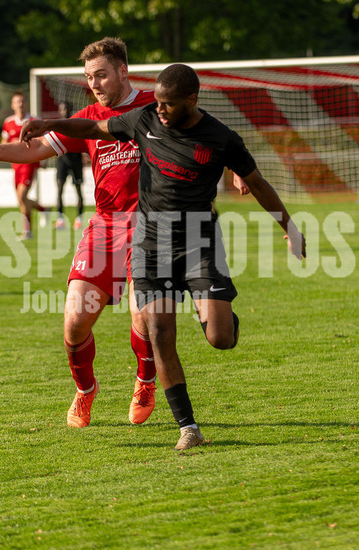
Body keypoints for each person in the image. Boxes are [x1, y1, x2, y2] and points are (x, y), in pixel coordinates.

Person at [20, 63, 306, 450]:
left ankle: (221, 316)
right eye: (157, 102)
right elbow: (92, 128)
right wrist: (48, 123)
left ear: (192, 100)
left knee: (220, 338)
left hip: (198, 241)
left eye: (168, 104)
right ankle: (188, 428)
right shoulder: (146, 119)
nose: (161, 110)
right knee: (159, 334)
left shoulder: (220, 137)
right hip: (150, 243)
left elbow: (257, 183)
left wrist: (290, 228)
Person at [0, 37, 159, 429]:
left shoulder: (155, 105)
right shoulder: (87, 118)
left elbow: (201, 129)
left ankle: (145, 382)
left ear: (123, 71)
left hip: (152, 226)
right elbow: (34, 150)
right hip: (105, 226)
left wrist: (236, 166)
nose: (95, 84)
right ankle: (85, 391)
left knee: (144, 313)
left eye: (101, 75)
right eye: (89, 77)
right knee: (74, 321)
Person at [2, 90, 47, 240]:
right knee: (21, 200)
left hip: (30, 163)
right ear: (12, 105)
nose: (20, 104)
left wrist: (44, 158)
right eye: (17, 102)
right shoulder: (8, 122)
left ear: (26, 103)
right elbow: (4, 142)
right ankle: (43, 210)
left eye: (22, 101)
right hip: (15, 165)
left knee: (22, 196)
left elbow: (44, 142)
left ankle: (28, 232)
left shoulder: (34, 121)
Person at [54, 101, 85, 230]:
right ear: (59, 111)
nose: (64, 111)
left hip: (76, 161)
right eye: (62, 109)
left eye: (66, 109)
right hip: (62, 162)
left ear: (70, 109)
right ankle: (60, 219)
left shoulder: (76, 124)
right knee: (60, 190)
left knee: (78, 190)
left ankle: (79, 219)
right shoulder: (57, 126)